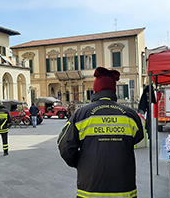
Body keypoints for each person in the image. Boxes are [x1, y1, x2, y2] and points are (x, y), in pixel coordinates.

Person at [57, 67, 144, 198]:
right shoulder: (130, 114)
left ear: (95, 90)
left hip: (90, 187)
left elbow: (65, 146)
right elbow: (138, 138)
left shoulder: (81, 114)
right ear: (114, 90)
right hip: (124, 188)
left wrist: (80, 162)